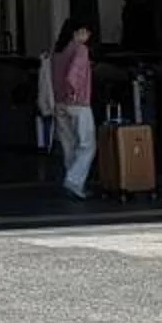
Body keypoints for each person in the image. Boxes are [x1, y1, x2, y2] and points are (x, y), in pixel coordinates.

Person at [46, 19, 97, 198]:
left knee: (69, 145)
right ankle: (74, 181)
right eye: (86, 31)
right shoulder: (80, 49)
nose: (88, 35)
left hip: (59, 103)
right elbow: (73, 75)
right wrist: (73, 93)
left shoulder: (57, 51)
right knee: (87, 144)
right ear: (77, 32)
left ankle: (72, 178)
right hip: (77, 103)